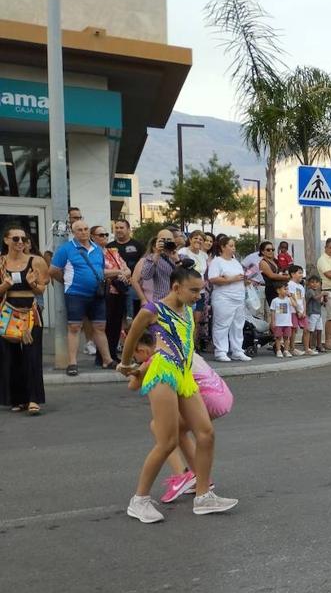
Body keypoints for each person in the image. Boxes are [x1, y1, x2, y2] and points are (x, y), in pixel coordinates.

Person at [117, 266, 238, 523]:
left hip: (184, 374)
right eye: (193, 290)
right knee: (168, 442)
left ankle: (203, 496)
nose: (198, 295)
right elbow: (132, 336)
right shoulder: (153, 310)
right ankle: (139, 500)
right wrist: (126, 364)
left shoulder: (187, 311)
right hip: (163, 372)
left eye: (200, 291)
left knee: (206, 433)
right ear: (176, 287)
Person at [48, 219, 116, 375]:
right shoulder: (65, 249)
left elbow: (100, 270)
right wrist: (67, 281)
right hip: (75, 294)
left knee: (100, 327)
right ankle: (72, 363)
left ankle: (107, 360)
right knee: (74, 327)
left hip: (96, 294)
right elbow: (53, 270)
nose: (84, 232)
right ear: (73, 232)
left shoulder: (97, 249)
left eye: (86, 229)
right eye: (79, 230)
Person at [0, 225, 48, 414]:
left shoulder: (36, 261)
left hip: (30, 311)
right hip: (7, 312)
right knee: (10, 357)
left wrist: (32, 283)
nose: (20, 242)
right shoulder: (1, 262)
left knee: (32, 355)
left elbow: (41, 289)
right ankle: (17, 399)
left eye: (23, 239)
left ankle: (33, 399)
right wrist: (5, 286)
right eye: (15, 239)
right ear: (6, 240)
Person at [207, 235, 252, 363]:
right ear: (222, 247)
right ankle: (221, 351)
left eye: (234, 246)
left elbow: (239, 277)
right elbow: (213, 279)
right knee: (222, 325)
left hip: (238, 297)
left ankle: (237, 350)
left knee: (238, 325)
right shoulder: (217, 261)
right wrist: (232, 279)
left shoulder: (235, 261)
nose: (233, 248)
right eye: (231, 246)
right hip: (224, 297)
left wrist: (245, 280)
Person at [95, 226, 132, 359]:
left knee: (116, 325)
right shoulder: (92, 253)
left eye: (106, 234)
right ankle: (102, 357)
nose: (105, 237)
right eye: (101, 235)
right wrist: (119, 272)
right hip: (104, 292)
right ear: (93, 237)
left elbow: (127, 269)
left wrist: (123, 274)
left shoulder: (112, 251)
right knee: (105, 325)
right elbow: (99, 272)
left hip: (119, 291)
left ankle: (112, 353)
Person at [258, 241, 290, 308]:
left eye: (272, 249)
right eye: (268, 250)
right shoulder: (263, 262)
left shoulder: (275, 260)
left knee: (283, 310)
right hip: (271, 289)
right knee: (277, 311)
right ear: (262, 251)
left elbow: (280, 271)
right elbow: (271, 275)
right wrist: (285, 277)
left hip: (280, 288)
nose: (271, 251)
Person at [269, 281, 295, 358]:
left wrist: (290, 296)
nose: (286, 291)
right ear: (278, 290)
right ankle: (278, 350)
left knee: (287, 337)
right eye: (284, 289)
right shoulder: (275, 300)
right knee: (278, 337)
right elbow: (273, 312)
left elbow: (294, 304)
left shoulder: (288, 299)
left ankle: (286, 350)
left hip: (287, 322)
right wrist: (273, 321)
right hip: (279, 323)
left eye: (287, 289)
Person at [287, 265, 308, 355]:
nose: (301, 275)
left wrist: (304, 311)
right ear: (292, 274)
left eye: (302, 273)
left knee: (306, 328)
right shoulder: (290, 284)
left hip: (301, 311)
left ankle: (307, 348)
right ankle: (292, 348)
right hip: (293, 311)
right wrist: (298, 310)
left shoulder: (301, 286)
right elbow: (292, 298)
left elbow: (303, 300)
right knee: (293, 329)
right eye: (299, 273)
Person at [305, 274, 325, 353]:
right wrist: (322, 294)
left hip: (318, 313)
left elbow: (319, 303)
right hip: (312, 313)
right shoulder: (310, 291)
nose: (314, 284)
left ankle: (319, 345)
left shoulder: (317, 292)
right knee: (311, 330)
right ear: (309, 284)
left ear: (319, 284)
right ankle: (311, 346)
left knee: (319, 329)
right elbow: (315, 298)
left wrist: (324, 300)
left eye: (317, 282)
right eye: (312, 282)